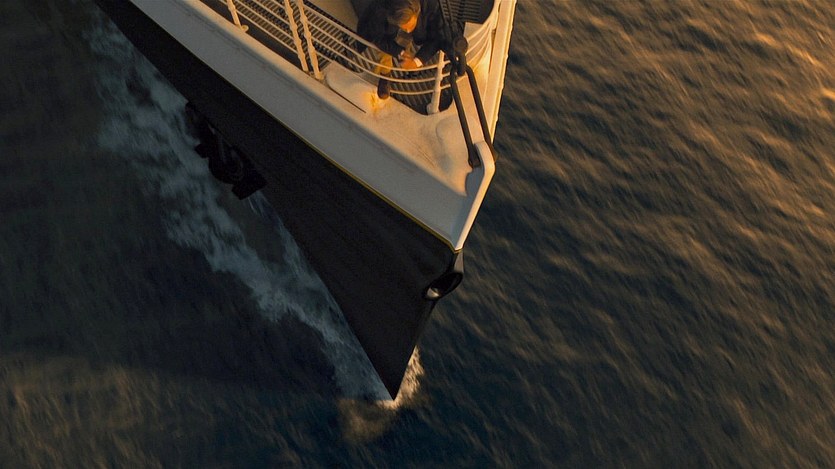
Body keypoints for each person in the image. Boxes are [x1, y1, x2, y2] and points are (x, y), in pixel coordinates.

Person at [356, 0, 446, 99]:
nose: (408, 30)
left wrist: (417, 61)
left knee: (403, 39)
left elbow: (437, 38)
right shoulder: (381, 9)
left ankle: (405, 59)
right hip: (385, 27)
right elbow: (378, 38)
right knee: (384, 48)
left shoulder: (432, 6)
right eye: (404, 28)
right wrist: (400, 52)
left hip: (414, 22)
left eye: (410, 26)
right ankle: (385, 74)